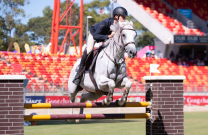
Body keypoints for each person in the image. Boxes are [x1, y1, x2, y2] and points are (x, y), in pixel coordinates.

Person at [73, 7, 128, 85]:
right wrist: (108, 36)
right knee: (89, 50)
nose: (124, 18)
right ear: (116, 16)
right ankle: (78, 74)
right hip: (94, 34)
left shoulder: (119, 25)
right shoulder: (105, 23)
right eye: (123, 16)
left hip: (106, 37)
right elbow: (96, 36)